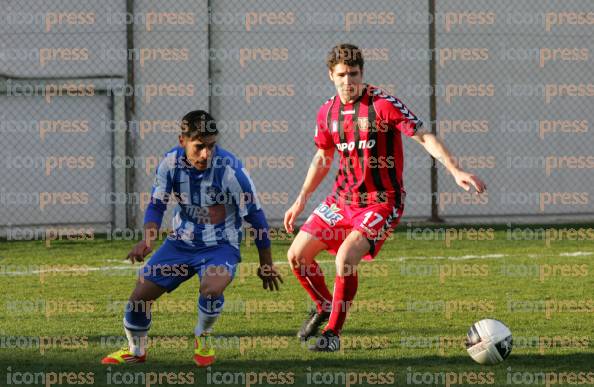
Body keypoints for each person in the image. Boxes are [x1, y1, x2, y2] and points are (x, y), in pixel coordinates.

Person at [284, 44, 487, 352]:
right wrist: (301, 199)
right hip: (342, 200)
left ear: (362, 74)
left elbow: (423, 135)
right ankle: (324, 304)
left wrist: (454, 169)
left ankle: (332, 334)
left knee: (345, 258)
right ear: (331, 75)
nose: (348, 81)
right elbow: (323, 156)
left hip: (382, 200)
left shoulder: (382, 105)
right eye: (342, 75)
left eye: (354, 74)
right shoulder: (327, 112)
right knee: (297, 256)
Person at [101, 110, 282, 366]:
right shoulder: (169, 164)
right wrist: (148, 240)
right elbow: (156, 204)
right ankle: (136, 351)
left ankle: (203, 335)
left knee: (211, 288)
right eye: (199, 147)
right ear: (182, 140)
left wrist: (266, 264)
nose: (206, 154)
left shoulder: (231, 171)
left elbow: (257, 218)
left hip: (220, 246)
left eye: (211, 146)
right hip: (180, 243)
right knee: (138, 300)